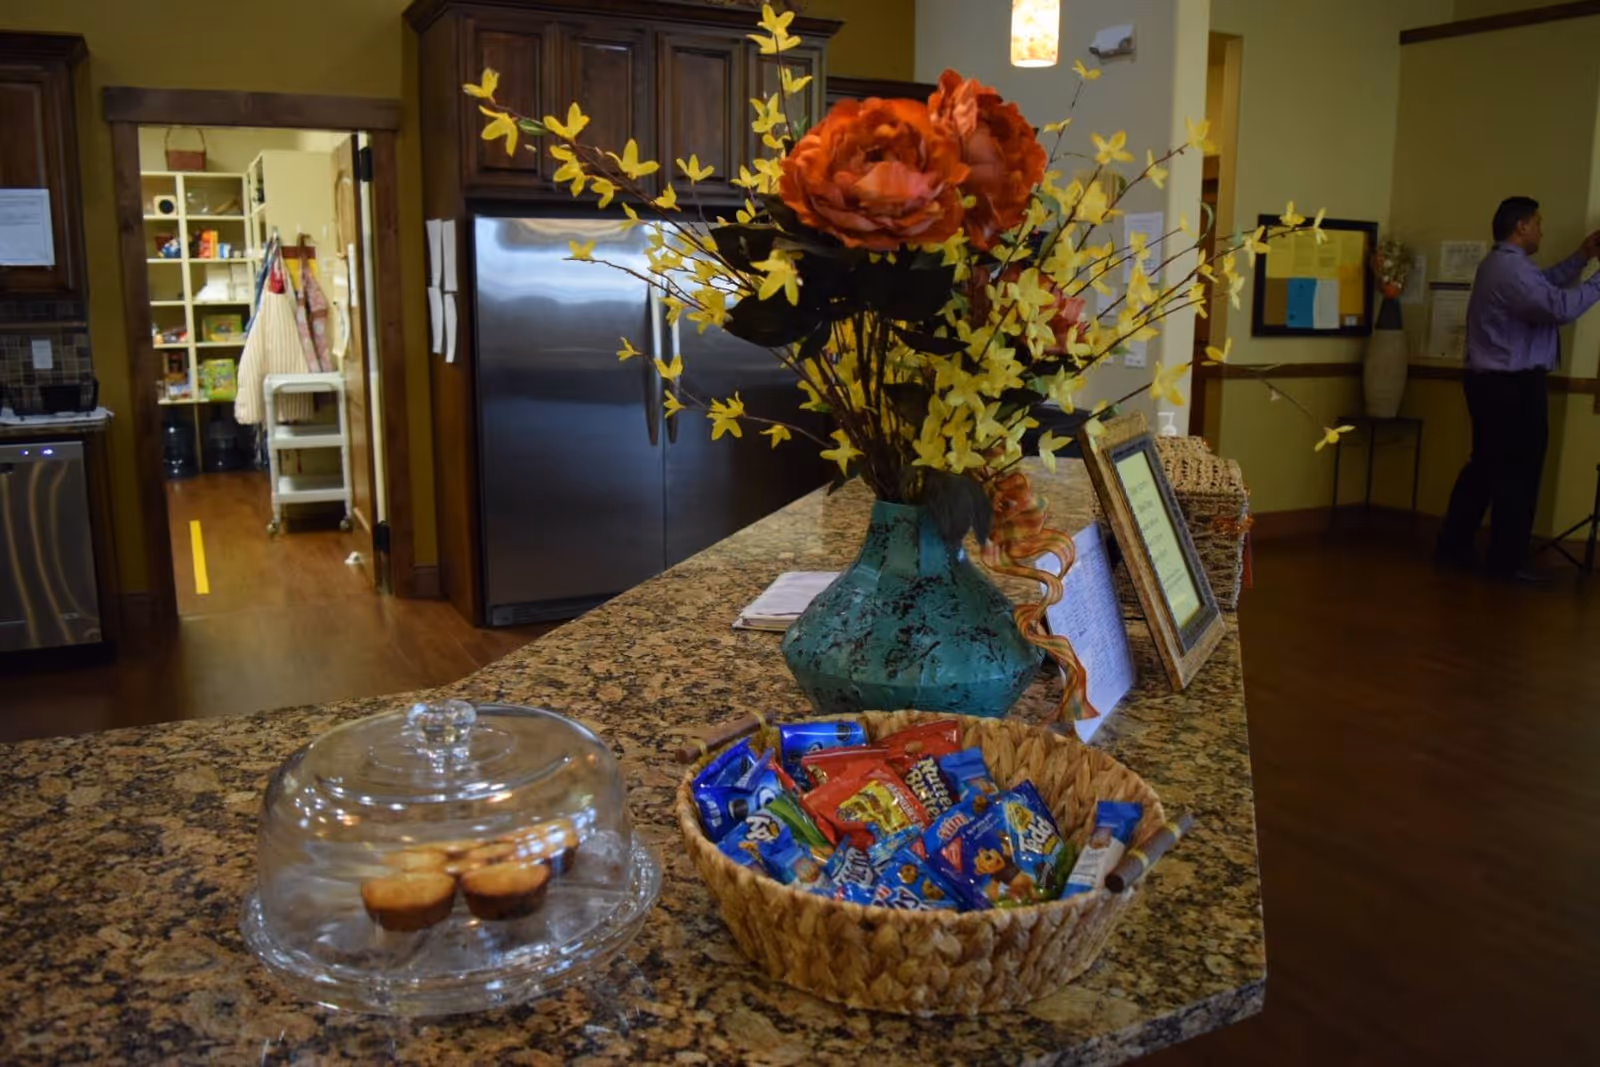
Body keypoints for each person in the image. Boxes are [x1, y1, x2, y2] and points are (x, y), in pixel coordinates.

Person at [1435, 198, 1600, 580]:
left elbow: (1545, 285)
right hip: (1511, 387)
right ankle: (1506, 563)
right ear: (1521, 227)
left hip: (1492, 384)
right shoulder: (1510, 269)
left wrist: (1582, 257)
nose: (1543, 230)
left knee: (1486, 468)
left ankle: (1454, 545)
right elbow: (1558, 307)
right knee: (1517, 474)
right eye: (1538, 224)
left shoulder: (1506, 266)